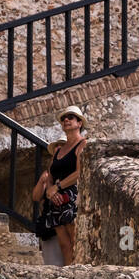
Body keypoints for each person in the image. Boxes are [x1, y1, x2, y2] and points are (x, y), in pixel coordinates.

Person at [33, 107, 86, 265]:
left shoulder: (82, 144)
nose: (66, 120)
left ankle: (79, 272)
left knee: (75, 240)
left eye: (71, 117)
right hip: (56, 199)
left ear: (79, 123)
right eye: (63, 119)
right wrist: (50, 190)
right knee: (64, 244)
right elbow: (51, 173)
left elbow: (80, 171)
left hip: (71, 196)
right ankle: (69, 274)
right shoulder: (59, 151)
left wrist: (58, 187)